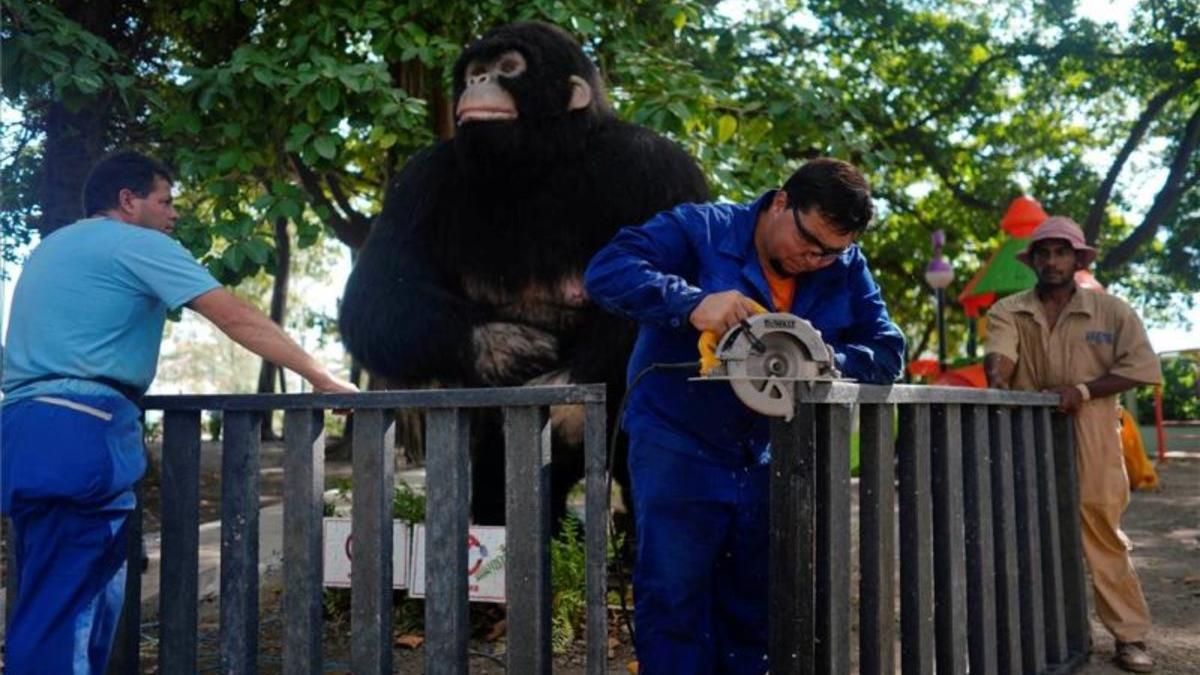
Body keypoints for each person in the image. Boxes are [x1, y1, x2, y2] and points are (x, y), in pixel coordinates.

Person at [0, 151, 357, 674]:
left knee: (48, 599)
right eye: (165, 202)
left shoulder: (52, 247)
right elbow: (234, 316)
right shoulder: (135, 243)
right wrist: (319, 375)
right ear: (128, 201)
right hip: (81, 433)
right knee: (69, 613)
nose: (174, 216)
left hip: (22, 432)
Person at [584, 157, 904, 674]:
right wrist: (691, 302)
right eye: (809, 242)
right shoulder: (701, 228)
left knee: (756, 608)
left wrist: (826, 359)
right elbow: (606, 269)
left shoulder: (844, 263)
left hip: (770, 454)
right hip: (678, 441)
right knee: (674, 597)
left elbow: (888, 350)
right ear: (781, 202)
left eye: (832, 253)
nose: (817, 260)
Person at [984, 216, 1160, 673]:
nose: (1051, 260)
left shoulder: (1112, 311)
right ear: (1034, 261)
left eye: (1062, 252)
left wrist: (1082, 391)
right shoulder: (1009, 310)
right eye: (1043, 253)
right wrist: (998, 378)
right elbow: (999, 362)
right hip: (1026, 431)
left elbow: (1141, 369)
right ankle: (1046, 635)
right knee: (1029, 532)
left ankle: (1130, 636)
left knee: (1101, 529)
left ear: (1078, 259)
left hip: (1095, 428)